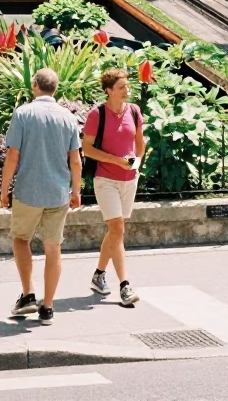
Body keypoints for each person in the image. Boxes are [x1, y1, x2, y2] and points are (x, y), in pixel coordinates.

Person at [0, 67, 82, 327]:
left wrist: (4, 189)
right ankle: (48, 307)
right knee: (53, 248)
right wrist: (76, 190)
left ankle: (28, 294)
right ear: (55, 89)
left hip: (28, 191)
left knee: (21, 239)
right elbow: (76, 160)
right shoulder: (68, 118)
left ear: (35, 85)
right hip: (58, 193)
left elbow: (13, 156)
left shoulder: (23, 114)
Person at [82, 69, 145, 307]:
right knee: (117, 228)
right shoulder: (97, 115)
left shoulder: (135, 111)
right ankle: (124, 285)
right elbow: (87, 149)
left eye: (126, 86)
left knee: (116, 231)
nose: (126, 90)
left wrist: (137, 162)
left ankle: (99, 275)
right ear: (109, 90)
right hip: (106, 179)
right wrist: (115, 160)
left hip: (130, 179)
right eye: (121, 87)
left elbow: (140, 142)